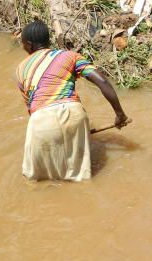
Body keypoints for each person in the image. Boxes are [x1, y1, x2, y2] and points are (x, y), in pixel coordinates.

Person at [16, 19, 129, 181]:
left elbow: (31, 107)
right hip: (73, 113)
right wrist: (120, 114)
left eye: (23, 45)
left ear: (29, 45)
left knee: (34, 180)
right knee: (80, 178)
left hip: (41, 119)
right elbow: (102, 82)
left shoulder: (21, 69)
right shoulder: (70, 56)